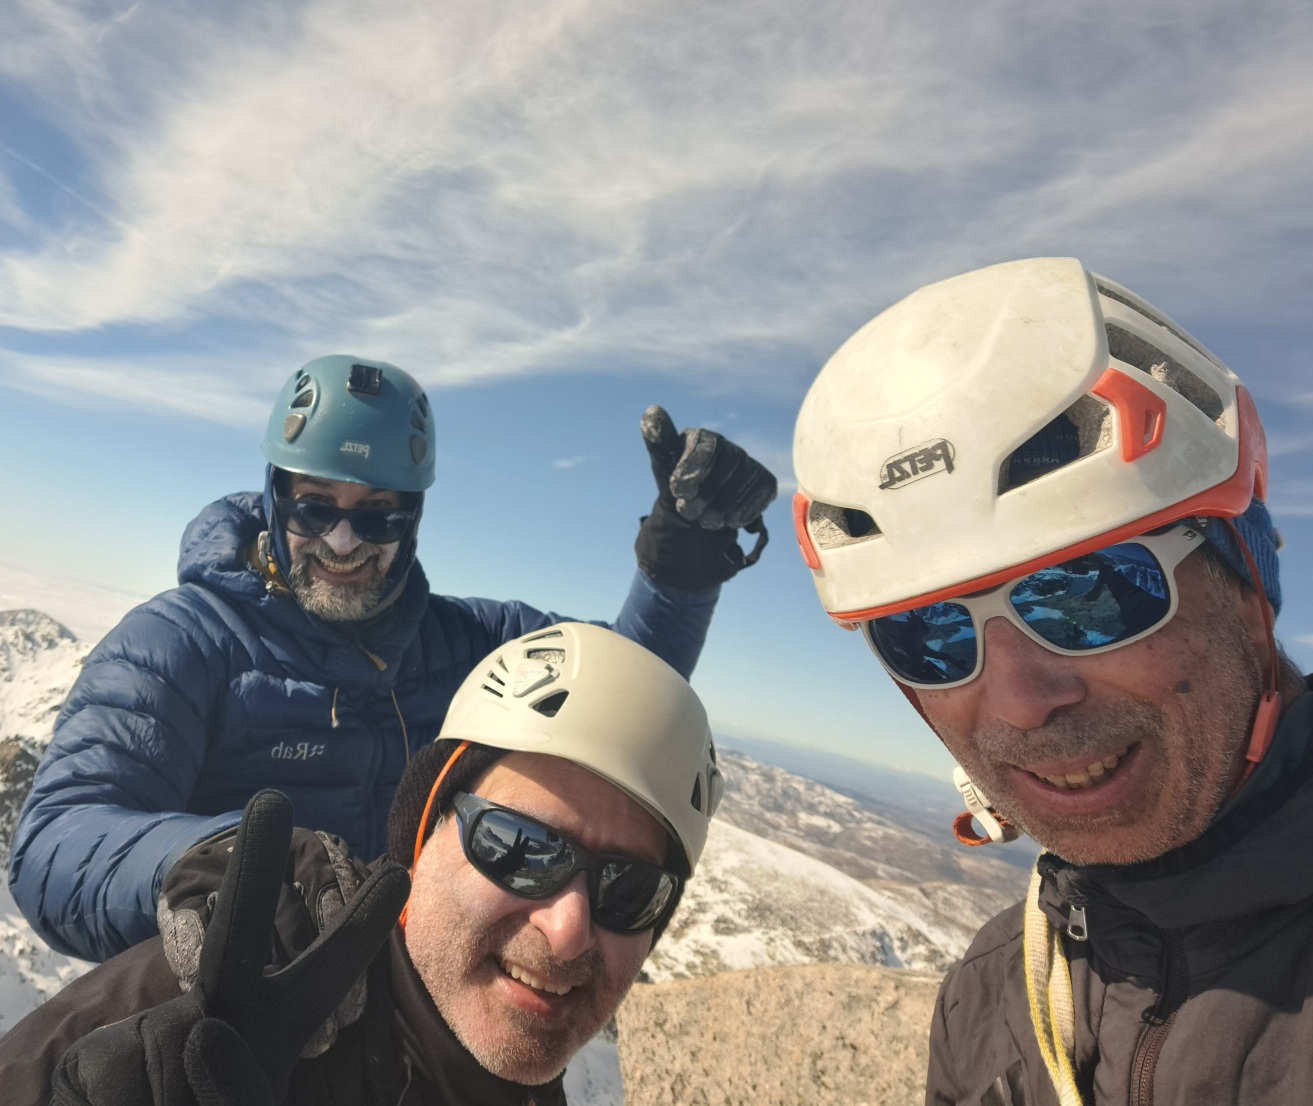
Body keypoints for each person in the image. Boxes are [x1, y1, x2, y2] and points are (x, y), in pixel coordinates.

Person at [10, 354, 772, 962]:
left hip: (409, 1006)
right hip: (230, 1023)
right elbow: (56, 842)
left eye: (376, 515)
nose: (342, 544)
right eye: (315, 507)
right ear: (275, 498)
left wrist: (681, 564)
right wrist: (216, 864)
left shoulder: (472, 642)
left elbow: (619, 694)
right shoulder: (178, 644)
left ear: (412, 519)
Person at [791, 257, 1308, 1105]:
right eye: (927, 635)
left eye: (1088, 595)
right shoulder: (996, 995)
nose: (1020, 702)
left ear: (1244, 578)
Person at [0, 621, 722, 1106]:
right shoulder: (223, 998)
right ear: (422, 835)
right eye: (519, 848)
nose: (569, 929)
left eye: (628, 891)